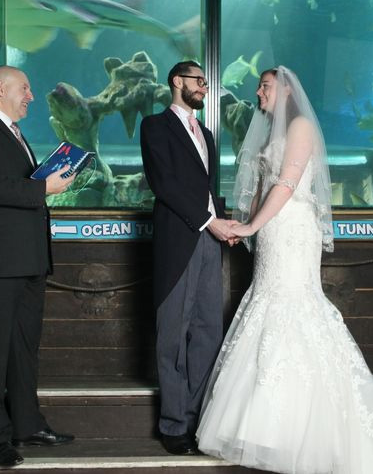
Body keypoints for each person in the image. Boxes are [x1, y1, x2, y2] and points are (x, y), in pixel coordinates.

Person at [196, 67, 373, 474]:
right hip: (272, 233)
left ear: (287, 89)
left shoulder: (301, 126)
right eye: (259, 86)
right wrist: (247, 226)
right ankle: (271, 425)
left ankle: (311, 430)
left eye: (266, 86)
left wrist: (252, 224)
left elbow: (288, 184)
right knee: (266, 303)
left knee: (294, 305)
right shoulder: (271, 130)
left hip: (293, 230)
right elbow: (261, 187)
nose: (258, 93)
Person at [0, 66, 76, 468]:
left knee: (24, 350)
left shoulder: (14, 133)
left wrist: (51, 179)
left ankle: (28, 424)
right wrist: (44, 188)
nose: (32, 96)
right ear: (1, 88)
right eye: (25, 88)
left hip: (28, 261)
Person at [139, 61, 238, 456]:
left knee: (208, 330)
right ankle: (173, 424)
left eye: (206, 82)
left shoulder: (208, 134)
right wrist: (209, 221)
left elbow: (205, 188)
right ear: (177, 82)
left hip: (209, 242)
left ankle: (198, 419)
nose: (204, 87)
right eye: (198, 81)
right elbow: (164, 184)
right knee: (172, 335)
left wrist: (224, 223)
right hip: (178, 241)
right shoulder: (154, 127)